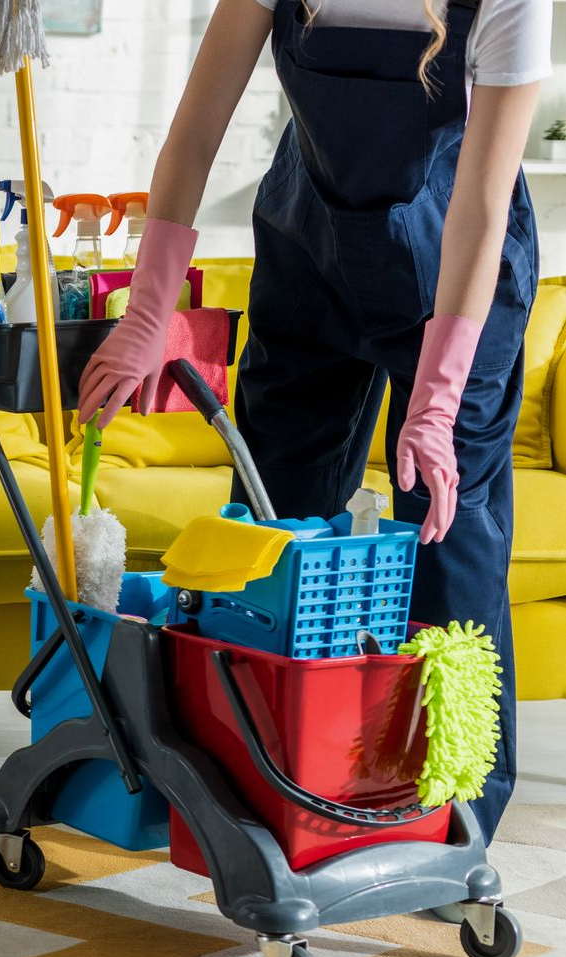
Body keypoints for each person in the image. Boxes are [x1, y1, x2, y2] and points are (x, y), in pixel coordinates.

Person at [79, 0, 549, 843]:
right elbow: (193, 133)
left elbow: (479, 211)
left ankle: (455, 818)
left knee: (446, 539)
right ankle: (271, 784)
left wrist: (437, 401)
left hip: (456, 276)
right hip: (312, 256)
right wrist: (149, 306)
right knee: (269, 528)